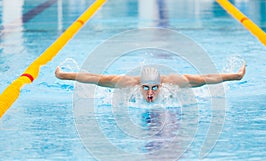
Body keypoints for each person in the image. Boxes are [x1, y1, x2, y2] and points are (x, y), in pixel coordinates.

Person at [55, 64, 246, 103]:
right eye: (145, 88)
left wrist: (235, 76)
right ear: (139, 85)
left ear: (161, 85)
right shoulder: (125, 83)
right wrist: (64, 76)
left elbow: (207, 79)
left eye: (154, 88)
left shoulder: (176, 83)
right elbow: (93, 78)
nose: (150, 93)